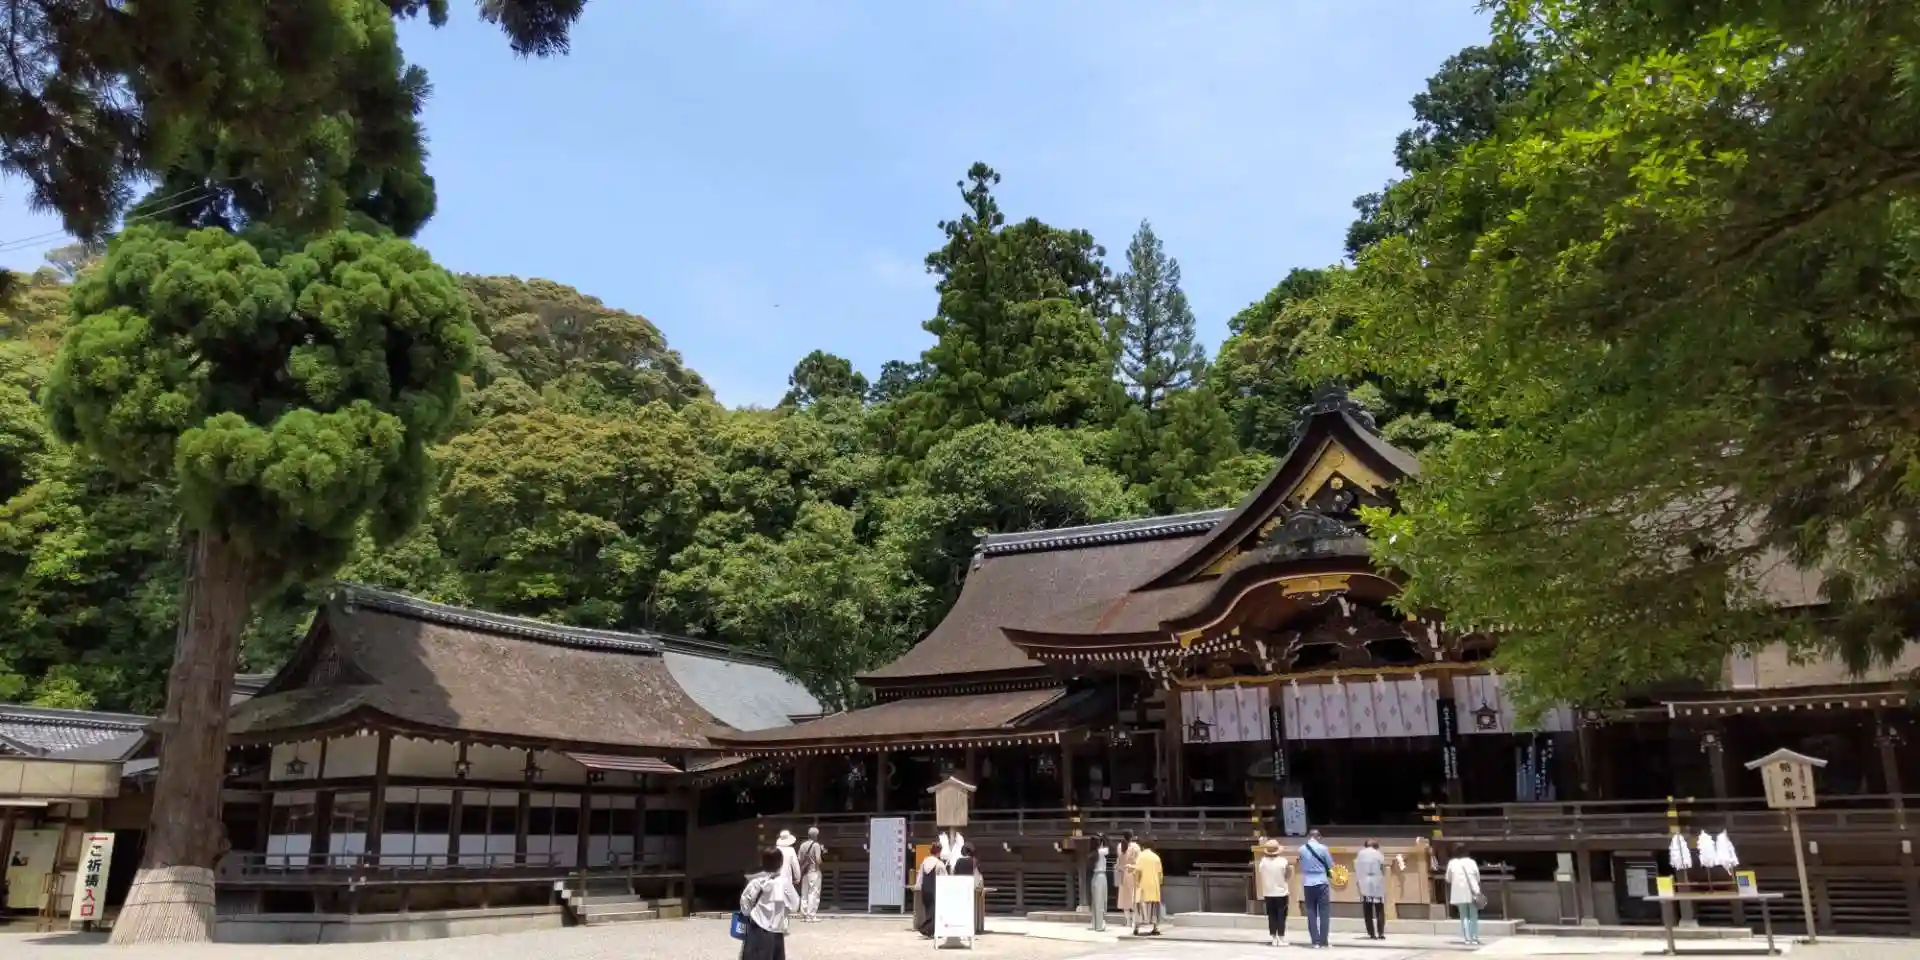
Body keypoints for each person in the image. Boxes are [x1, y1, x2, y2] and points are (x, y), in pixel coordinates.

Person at [739, 846, 800, 960]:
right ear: (781, 863)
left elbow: (745, 904)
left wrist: (749, 914)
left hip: (757, 927)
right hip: (777, 930)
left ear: (762, 862)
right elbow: (795, 905)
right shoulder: (784, 884)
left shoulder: (756, 882)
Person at [1297, 828, 1333, 948]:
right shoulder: (1323, 848)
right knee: (1324, 912)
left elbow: (1301, 864)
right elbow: (1330, 865)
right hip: (1321, 881)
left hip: (1308, 882)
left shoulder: (1302, 849)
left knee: (1311, 912)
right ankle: (1323, 941)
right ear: (1318, 837)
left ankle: (1315, 941)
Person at [1445, 842, 1485, 945]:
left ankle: (1467, 939)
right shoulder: (1472, 862)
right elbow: (1477, 877)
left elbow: (1448, 879)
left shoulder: (1452, 863)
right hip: (1472, 892)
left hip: (1459, 892)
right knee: (1473, 915)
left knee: (1463, 915)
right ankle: (1474, 938)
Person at [1256, 838, 1291, 947]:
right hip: (1281, 892)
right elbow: (1288, 875)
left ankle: (1273, 938)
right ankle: (1281, 937)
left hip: (1268, 892)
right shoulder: (1283, 861)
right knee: (1281, 915)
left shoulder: (1263, 862)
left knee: (1271, 915)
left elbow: (1261, 872)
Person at [1355, 839, 1387, 940]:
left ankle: (1371, 933)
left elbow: (1357, 868)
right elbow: (1383, 868)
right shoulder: (1378, 854)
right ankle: (1381, 933)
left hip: (1364, 881)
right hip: (1377, 881)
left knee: (1367, 909)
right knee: (1379, 908)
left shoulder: (1360, 854)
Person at [1131, 841, 1164, 937]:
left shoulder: (1140, 856)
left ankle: (1137, 927)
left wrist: (1136, 881)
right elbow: (1160, 874)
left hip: (1143, 885)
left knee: (1139, 908)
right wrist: (1159, 883)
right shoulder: (1156, 857)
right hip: (1154, 886)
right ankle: (1155, 927)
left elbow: (1137, 870)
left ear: (1143, 847)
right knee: (1154, 907)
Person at [916, 841, 948, 938]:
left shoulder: (924, 861)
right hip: (935, 890)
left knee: (929, 911)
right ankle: (926, 930)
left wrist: (917, 886)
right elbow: (944, 879)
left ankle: (931, 931)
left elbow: (920, 876)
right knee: (936, 912)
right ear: (939, 852)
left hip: (925, 890)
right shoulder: (939, 864)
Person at [796, 827, 826, 923]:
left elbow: (799, 859)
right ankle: (811, 915)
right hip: (814, 871)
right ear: (816, 835)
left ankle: (804, 914)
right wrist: (822, 858)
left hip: (805, 872)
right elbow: (818, 859)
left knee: (804, 893)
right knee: (813, 893)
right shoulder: (816, 845)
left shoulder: (802, 845)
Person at [1117, 831, 1141, 929]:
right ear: (1132, 837)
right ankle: (1135, 921)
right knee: (1134, 898)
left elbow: (1119, 862)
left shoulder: (1120, 846)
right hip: (1133, 874)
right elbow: (1139, 862)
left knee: (1125, 899)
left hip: (1123, 874)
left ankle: (1128, 921)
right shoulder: (1136, 847)